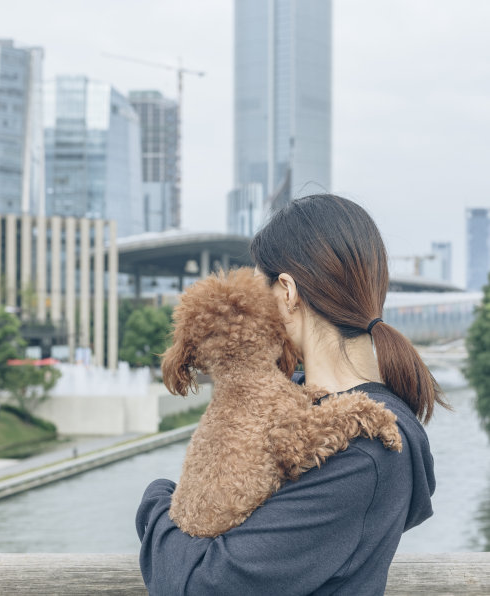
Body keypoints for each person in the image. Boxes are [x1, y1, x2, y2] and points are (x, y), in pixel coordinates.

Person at [136, 195, 447, 595]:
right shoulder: (297, 397)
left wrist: (156, 500)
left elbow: (201, 584)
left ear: (286, 293)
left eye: (256, 287)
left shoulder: (364, 451)